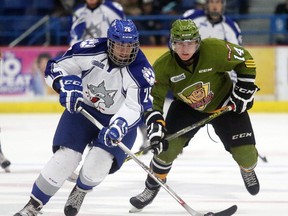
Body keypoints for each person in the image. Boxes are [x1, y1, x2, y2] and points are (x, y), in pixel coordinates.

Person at [14, 19, 155, 216]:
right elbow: (55, 68)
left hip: (117, 119)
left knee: (98, 164)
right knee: (64, 159)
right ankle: (33, 205)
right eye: (120, 45)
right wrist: (63, 84)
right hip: (84, 111)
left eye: (129, 46)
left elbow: (136, 106)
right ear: (109, 42)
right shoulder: (89, 49)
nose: (124, 51)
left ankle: (80, 190)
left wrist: (119, 125)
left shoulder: (142, 71)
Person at [129, 19, 260, 212]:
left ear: (198, 42)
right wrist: (155, 127)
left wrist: (245, 88)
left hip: (225, 102)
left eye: (190, 42)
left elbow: (245, 59)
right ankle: (152, 186)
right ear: (171, 43)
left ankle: (247, 169)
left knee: (247, 157)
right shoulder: (163, 67)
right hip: (187, 108)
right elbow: (153, 100)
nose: (184, 48)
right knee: (165, 150)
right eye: (179, 43)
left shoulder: (214, 49)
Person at [182, 0, 242, 82]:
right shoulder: (192, 18)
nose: (214, 6)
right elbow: (175, 40)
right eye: (211, 2)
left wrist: (234, 78)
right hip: (191, 70)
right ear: (206, 4)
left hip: (218, 76)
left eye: (218, 2)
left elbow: (237, 56)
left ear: (223, 5)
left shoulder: (231, 26)